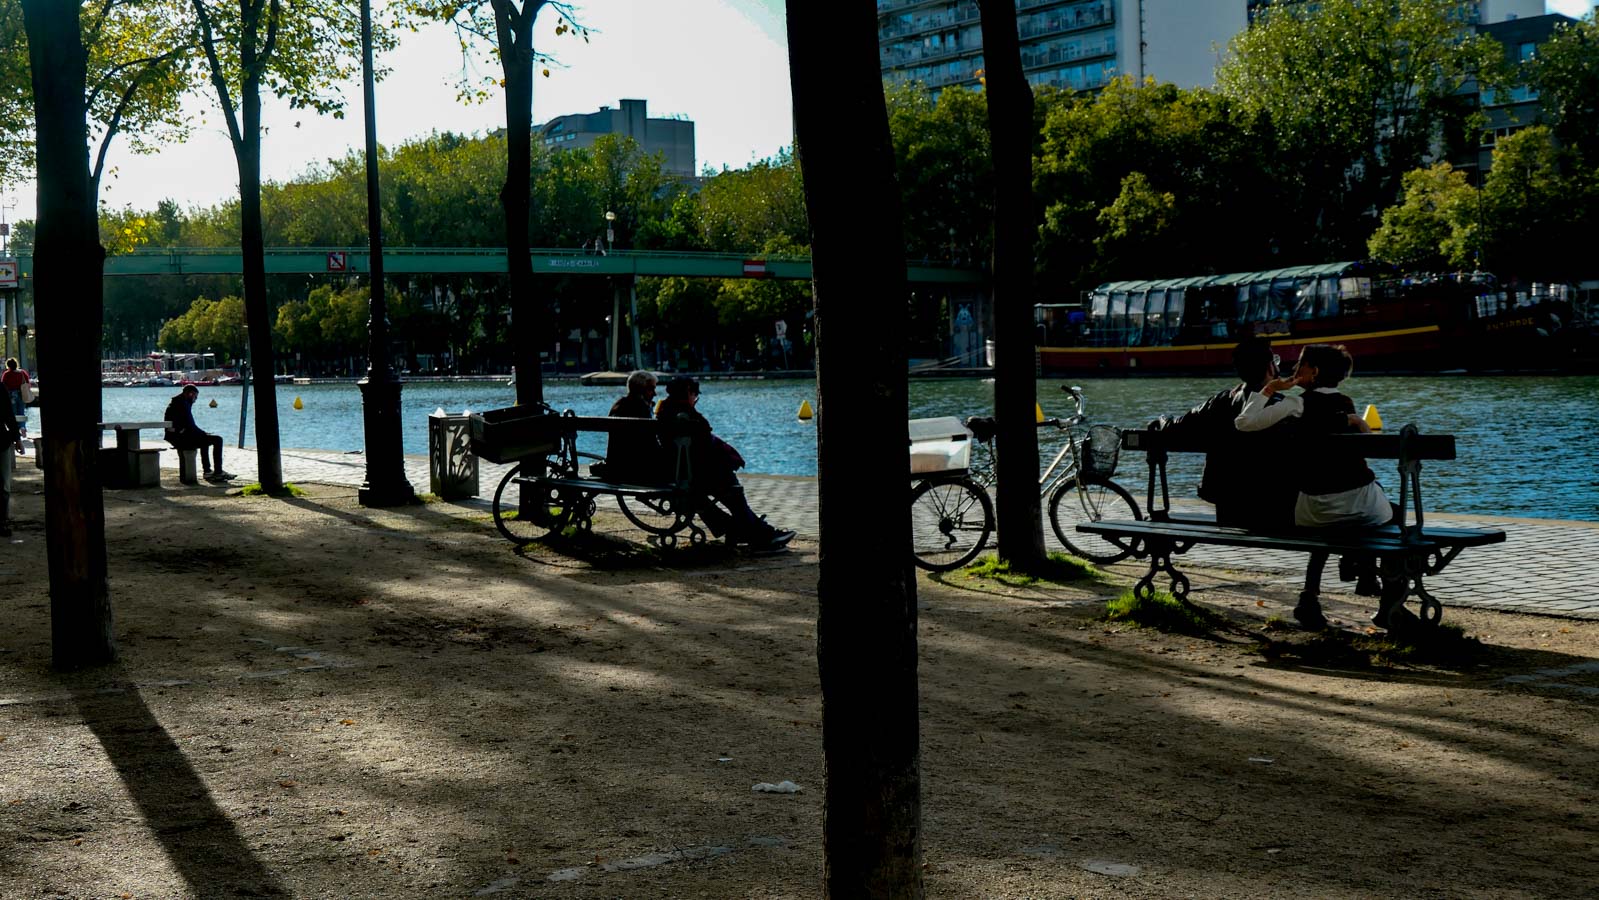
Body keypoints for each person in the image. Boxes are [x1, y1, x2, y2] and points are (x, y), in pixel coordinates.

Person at [1237, 343, 1399, 629]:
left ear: (1314, 371)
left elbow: (1244, 423)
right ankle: (1383, 595)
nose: (1294, 369)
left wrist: (1269, 389)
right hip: (1361, 507)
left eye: (1300, 364)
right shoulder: (1346, 404)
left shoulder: (1295, 404)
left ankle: (1309, 598)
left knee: (1327, 527)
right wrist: (1354, 421)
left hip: (1313, 510)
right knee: (1390, 517)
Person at [1146, 336, 1298, 529]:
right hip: (1275, 502)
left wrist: (1163, 419)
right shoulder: (1285, 407)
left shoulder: (1221, 402)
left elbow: (1177, 427)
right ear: (1270, 368)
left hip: (1229, 500)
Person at [655, 376, 794, 550]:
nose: (695, 399)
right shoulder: (690, 418)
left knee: (717, 493)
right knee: (733, 491)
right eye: (695, 395)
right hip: (697, 475)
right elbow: (705, 448)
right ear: (689, 392)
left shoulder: (663, 413)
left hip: (677, 472)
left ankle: (751, 530)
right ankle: (762, 535)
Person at [601, 370, 665, 484]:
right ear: (640, 389)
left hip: (616, 469)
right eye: (651, 389)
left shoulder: (618, 405)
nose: (654, 394)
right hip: (639, 471)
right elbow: (650, 445)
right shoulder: (640, 409)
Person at [163, 385, 234, 483]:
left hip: (175, 436)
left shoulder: (177, 402)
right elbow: (190, 425)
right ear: (190, 394)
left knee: (204, 440)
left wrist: (202, 433)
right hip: (179, 439)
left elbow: (187, 425)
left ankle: (207, 471)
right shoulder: (182, 404)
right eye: (195, 397)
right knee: (218, 440)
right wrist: (203, 433)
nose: (195, 400)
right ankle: (218, 471)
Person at [0, 396, 19, 536]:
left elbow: (8, 414)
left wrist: (17, 438)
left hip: (1, 441)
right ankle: (2, 521)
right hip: (1, 441)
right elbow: (9, 414)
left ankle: (2, 521)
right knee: (4, 485)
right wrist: (17, 439)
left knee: (4, 485)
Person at [2, 358, 29, 451]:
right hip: (21, 394)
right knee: (21, 412)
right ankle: (23, 428)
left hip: (11, 395)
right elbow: (27, 383)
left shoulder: (7, 374)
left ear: (8, 365)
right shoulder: (22, 372)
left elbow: (3, 384)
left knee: (12, 414)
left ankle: (16, 433)